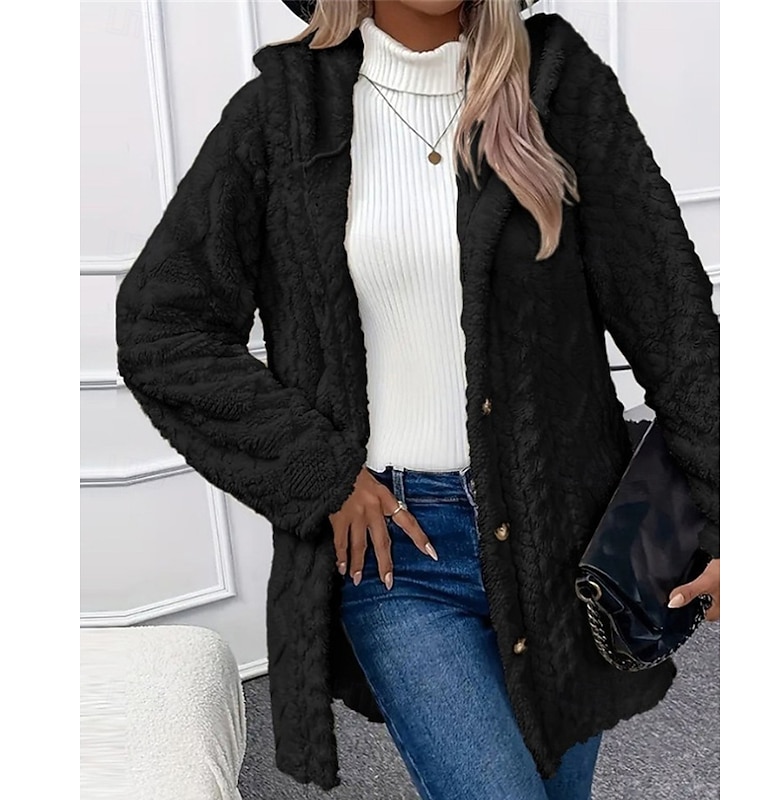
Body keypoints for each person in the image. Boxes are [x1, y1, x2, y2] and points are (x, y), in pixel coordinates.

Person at [115, 1, 721, 798]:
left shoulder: (557, 86)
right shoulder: (284, 113)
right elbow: (163, 324)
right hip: (400, 555)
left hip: (565, 539)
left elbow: (674, 323)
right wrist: (321, 474)